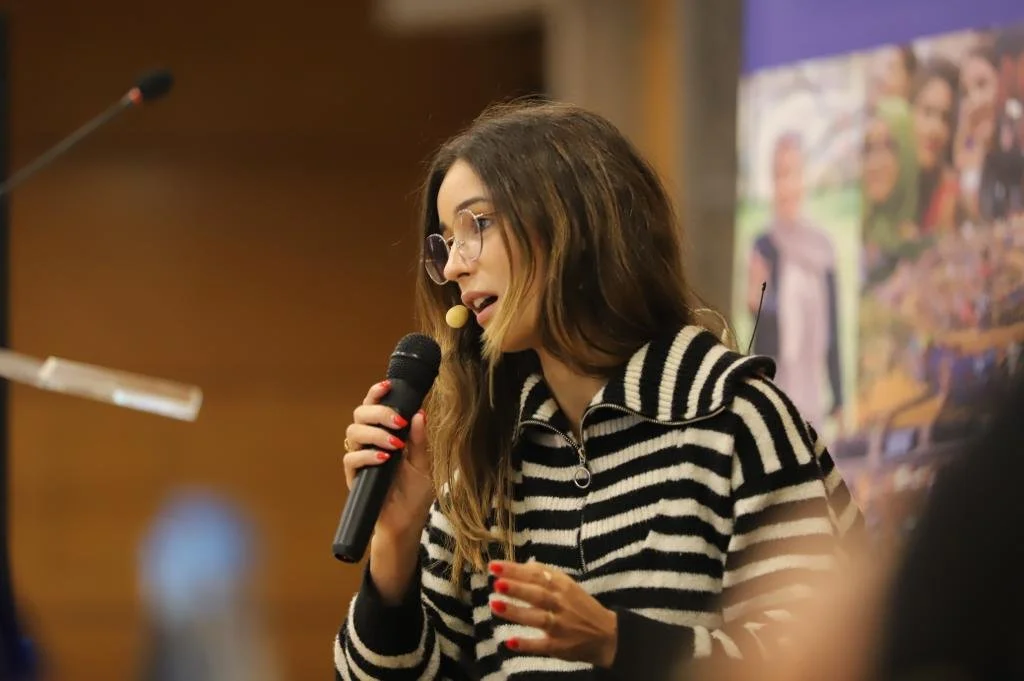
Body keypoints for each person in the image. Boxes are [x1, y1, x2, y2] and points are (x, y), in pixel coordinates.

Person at [333, 100, 862, 681]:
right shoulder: (483, 464)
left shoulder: (733, 419)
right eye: (445, 243)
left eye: (476, 225)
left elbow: (823, 655)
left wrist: (617, 642)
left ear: (569, 223)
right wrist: (395, 539)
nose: (455, 266)